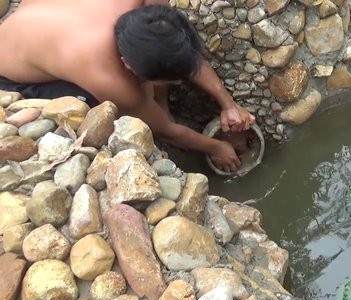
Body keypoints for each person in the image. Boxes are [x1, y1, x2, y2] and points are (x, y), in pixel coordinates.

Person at [0, 0, 255, 172]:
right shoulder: (108, 76)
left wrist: (228, 104)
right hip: (12, 69)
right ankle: (157, 105)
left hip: (43, 23)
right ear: (129, 66)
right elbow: (166, 131)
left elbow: (181, 50)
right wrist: (217, 147)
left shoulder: (155, 11)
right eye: (170, 81)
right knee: (108, 106)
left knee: (153, 76)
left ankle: (161, 105)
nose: (180, 82)